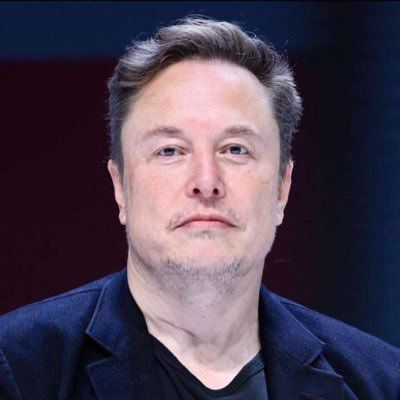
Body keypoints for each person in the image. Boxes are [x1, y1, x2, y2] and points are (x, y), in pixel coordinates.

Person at [0, 16, 399, 400]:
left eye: (236, 150)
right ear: (120, 186)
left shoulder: (382, 382)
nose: (206, 182)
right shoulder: (18, 368)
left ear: (282, 187)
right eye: (170, 150)